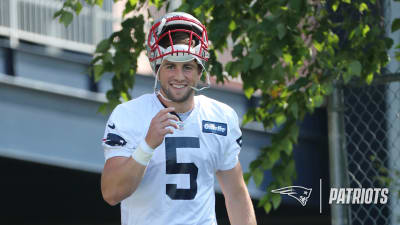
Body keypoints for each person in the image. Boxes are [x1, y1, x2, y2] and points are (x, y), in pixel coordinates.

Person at [101, 12, 257, 225]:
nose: (179, 76)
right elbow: (111, 193)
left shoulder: (221, 117)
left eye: (187, 67)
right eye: (171, 66)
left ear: (200, 70)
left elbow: (236, 194)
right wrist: (147, 145)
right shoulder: (129, 115)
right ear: (157, 68)